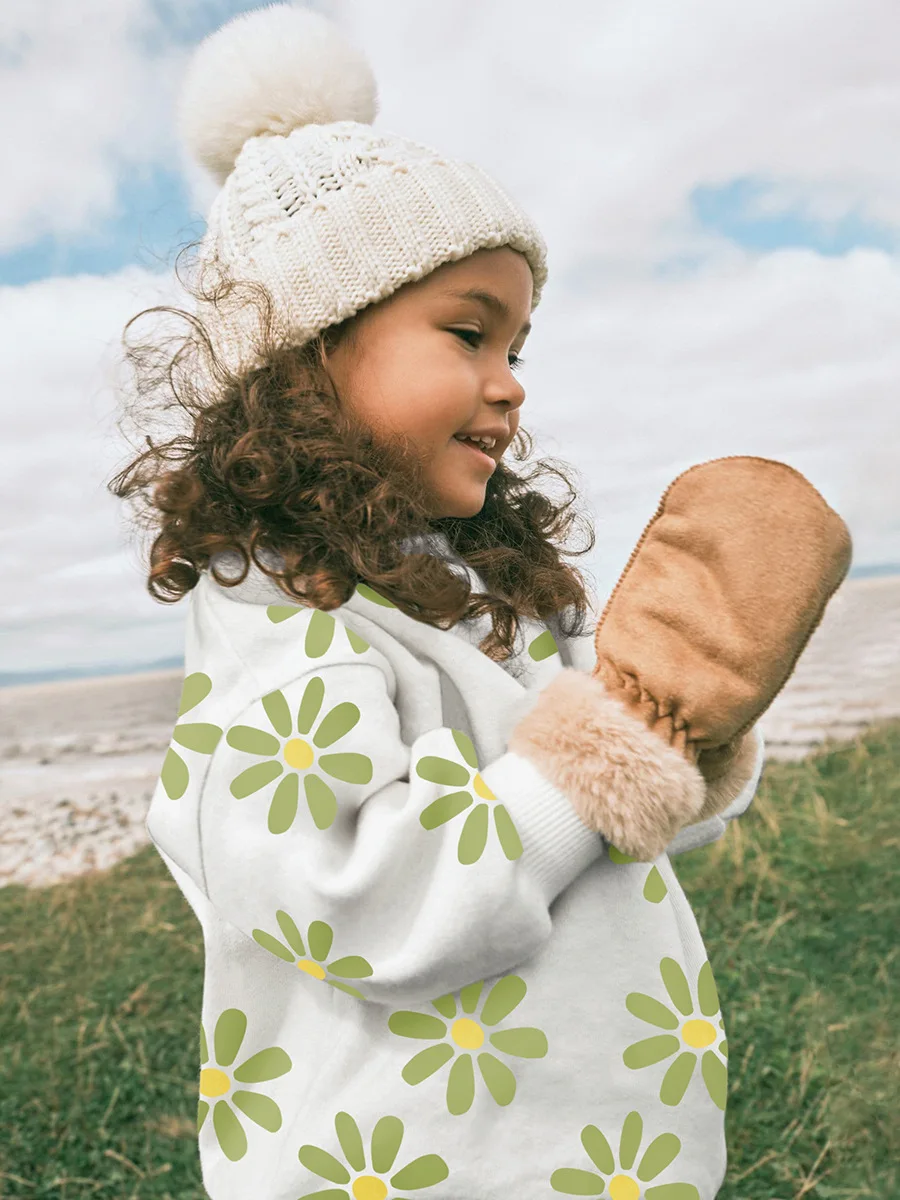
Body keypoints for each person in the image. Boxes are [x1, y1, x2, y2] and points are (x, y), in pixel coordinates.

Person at [110, 7, 766, 1197]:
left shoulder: (485, 591)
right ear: (306, 353)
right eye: (469, 331)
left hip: (596, 1152)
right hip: (408, 1164)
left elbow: (604, 833)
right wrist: (602, 751)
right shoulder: (286, 625)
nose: (511, 384)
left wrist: (683, 722)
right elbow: (367, 899)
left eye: (520, 342)